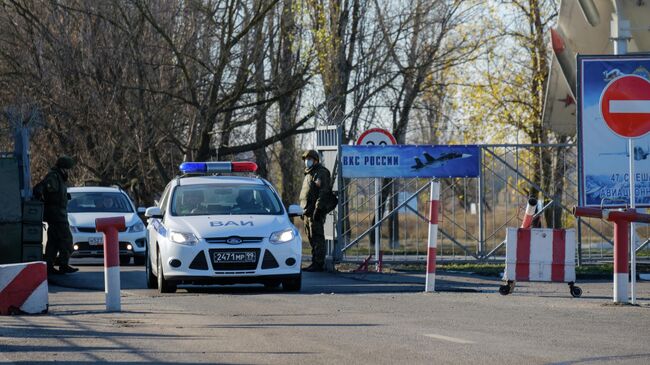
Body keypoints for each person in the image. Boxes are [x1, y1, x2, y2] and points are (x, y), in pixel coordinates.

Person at [34, 156, 78, 275]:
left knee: (53, 241)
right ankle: (63, 264)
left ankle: (49, 266)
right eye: (67, 169)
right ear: (63, 168)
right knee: (67, 240)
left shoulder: (59, 178)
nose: (68, 172)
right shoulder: (53, 177)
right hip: (56, 215)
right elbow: (42, 189)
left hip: (58, 214)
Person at [299, 150, 331, 272]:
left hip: (315, 212)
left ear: (316, 160)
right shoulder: (308, 173)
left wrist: (318, 209)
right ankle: (314, 261)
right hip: (307, 211)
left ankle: (318, 263)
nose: (307, 161)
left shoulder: (320, 173)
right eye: (306, 159)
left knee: (317, 237)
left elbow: (323, 192)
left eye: (310, 159)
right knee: (311, 237)